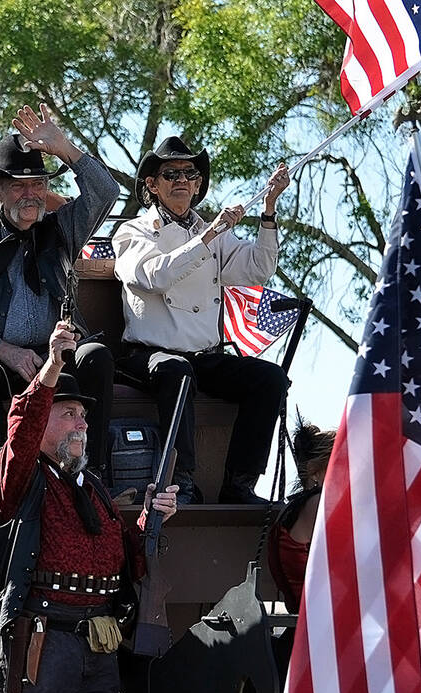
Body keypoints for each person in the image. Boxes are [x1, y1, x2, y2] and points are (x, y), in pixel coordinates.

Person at [0, 321, 179, 693]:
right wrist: (53, 366)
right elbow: (22, 428)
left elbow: (126, 560)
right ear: (46, 421)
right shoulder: (19, 475)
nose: (82, 423)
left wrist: (151, 521)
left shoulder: (92, 487)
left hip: (97, 646)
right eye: (70, 413)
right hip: (43, 646)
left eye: (83, 415)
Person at [0, 103, 119, 474]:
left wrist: (65, 149)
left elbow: (105, 192)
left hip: (57, 353)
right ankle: (8, 477)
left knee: (96, 355)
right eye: (19, 186)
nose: (31, 194)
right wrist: (5, 350)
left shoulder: (61, 229)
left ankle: (93, 475)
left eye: (38, 184)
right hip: (0, 359)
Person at [112, 136, 291, 504]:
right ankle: (182, 484)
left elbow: (259, 268)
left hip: (202, 355)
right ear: (152, 184)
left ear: (197, 185)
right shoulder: (134, 232)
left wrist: (269, 208)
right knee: (178, 373)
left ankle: (239, 485)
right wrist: (208, 236)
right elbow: (156, 275)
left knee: (270, 379)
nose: (181, 179)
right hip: (149, 355)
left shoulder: (213, 235)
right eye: (171, 173)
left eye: (189, 173)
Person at [266, 421, 335, 612]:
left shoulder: (294, 507)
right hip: (321, 616)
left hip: (312, 615)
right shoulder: (319, 503)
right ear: (315, 471)